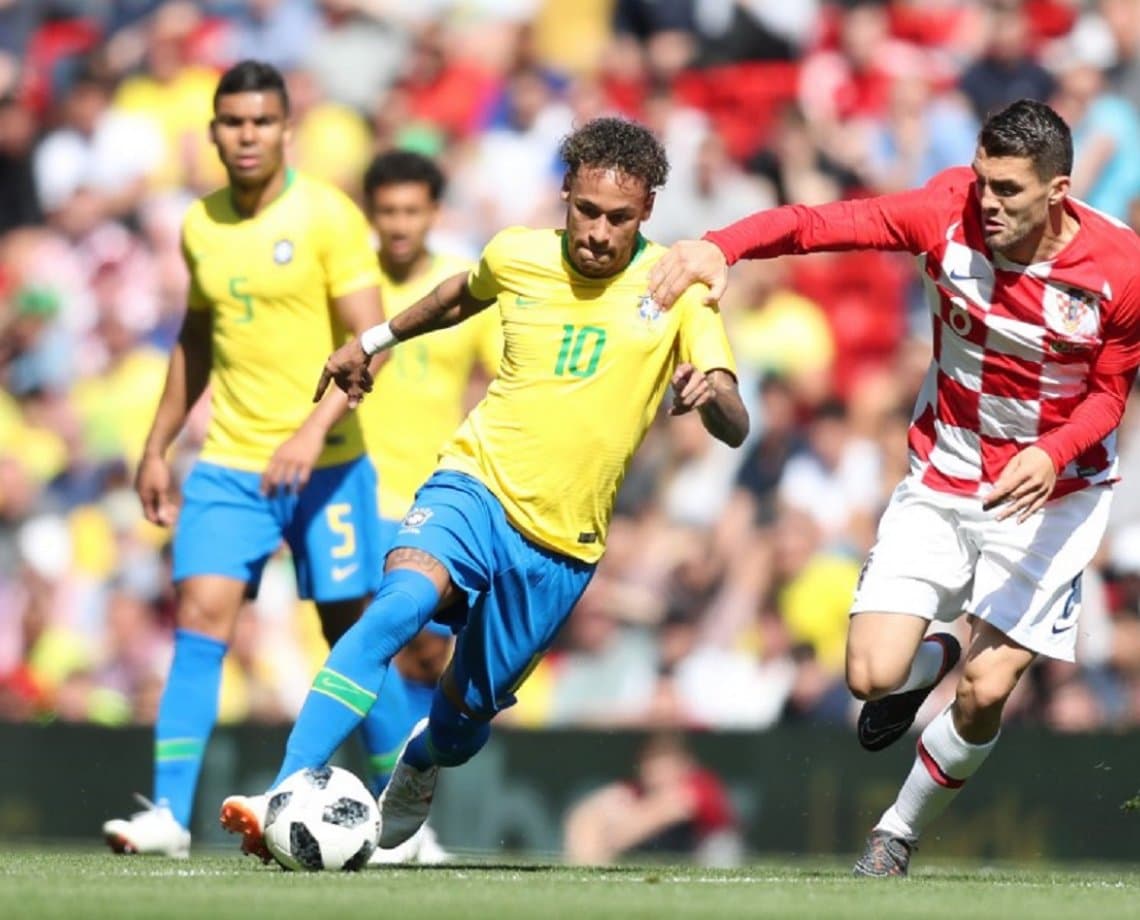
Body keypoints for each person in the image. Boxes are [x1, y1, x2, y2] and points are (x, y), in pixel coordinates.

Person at [218, 115, 749, 861]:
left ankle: (422, 761)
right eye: (586, 210)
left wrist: (709, 394)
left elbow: (735, 417)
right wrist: (372, 341)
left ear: (648, 213)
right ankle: (281, 790)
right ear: (565, 195)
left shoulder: (678, 290)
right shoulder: (518, 255)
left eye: (618, 218)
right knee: (397, 606)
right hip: (475, 483)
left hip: (562, 546)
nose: (598, 231)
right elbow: (457, 295)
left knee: (463, 725)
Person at [646, 98, 1140, 877]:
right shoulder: (945, 214)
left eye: (1009, 189)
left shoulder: (1121, 270)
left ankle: (896, 832)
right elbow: (820, 224)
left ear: (1060, 190)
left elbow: (1110, 397)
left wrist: (1055, 452)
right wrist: (721, 244)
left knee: (985, 689)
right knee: (871, 677)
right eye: (983, 181)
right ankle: (936, 649)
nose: (989, 202)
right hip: (945, 470)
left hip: (1055, 491)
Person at [102, 60, 386, 858]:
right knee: (198, 621)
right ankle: (165, 815)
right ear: (214, 133)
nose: (248, 135)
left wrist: (308, 431)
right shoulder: (200, 225)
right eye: (234, 123)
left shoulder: (328, 216)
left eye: (262, 121)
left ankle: (403, 822)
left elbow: (373, 346)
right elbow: (197, 339)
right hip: (230, 464)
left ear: (286, 129)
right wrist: (157, 445)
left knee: (354, 632)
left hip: (326, 463)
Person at [355, 149, 500, 864]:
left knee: (420, 656)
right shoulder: (350, 281)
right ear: (371, 214)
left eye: (413, 210)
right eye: (387, 211)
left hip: (433, 494)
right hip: (354, 490)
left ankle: (403, 812)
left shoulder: (459, 287)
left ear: (433, 213)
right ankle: (397, 819)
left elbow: (502, 381)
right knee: (369, 642)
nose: (400, 224)